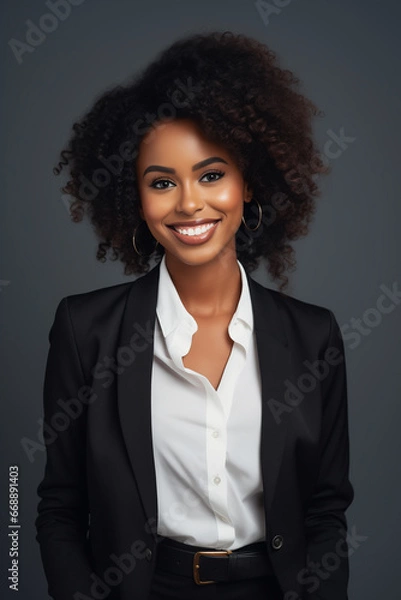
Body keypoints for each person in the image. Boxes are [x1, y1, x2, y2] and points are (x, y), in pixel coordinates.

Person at [35, 30, 354, 600]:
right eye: (162, 182)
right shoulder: (86, 331)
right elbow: (58, 509)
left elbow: (326, 513)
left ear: (248, 182)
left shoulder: (314, 336)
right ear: (136, 198)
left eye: (211, 175)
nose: (188, 203)